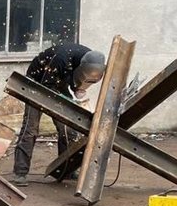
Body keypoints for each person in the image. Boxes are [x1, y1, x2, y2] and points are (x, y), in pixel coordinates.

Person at [10, 43, 107, 186]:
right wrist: (67, 100)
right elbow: (46, 88)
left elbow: (79, 77)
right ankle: (20, 173)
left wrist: (78, 88)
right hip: (36, 82)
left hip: (59, 82)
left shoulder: (91, 60)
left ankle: (66, 170)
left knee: (68, 129)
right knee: (30, 128)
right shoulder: (61, 59)